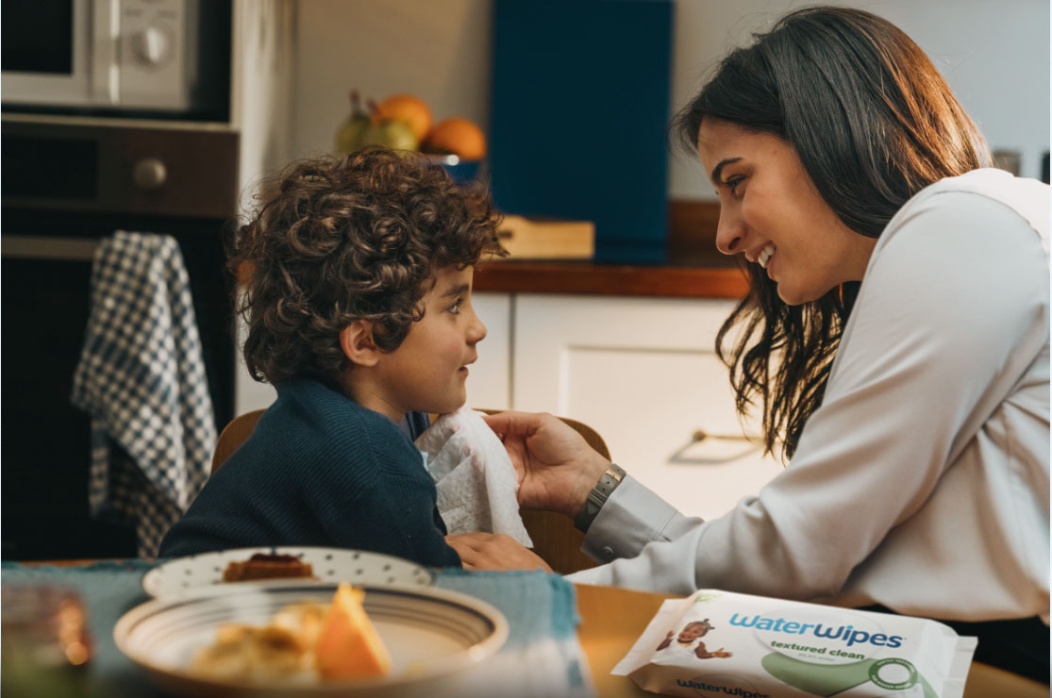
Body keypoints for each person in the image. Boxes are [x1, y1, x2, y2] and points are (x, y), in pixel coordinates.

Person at [445, 6, 1050, 682]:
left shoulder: (963, 227)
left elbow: (803, 554)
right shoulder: (964, 238)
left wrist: (557, 600)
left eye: (737, 183)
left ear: (832, 136)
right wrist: (600, 493)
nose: (724, 234)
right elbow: (815, 561)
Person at [160, 147, 505, 568]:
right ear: (364, 343)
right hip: (199, 611)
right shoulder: (362, 452)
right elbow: (431, 590)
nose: (478, 328)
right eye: (454, 306)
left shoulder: (360, 406)